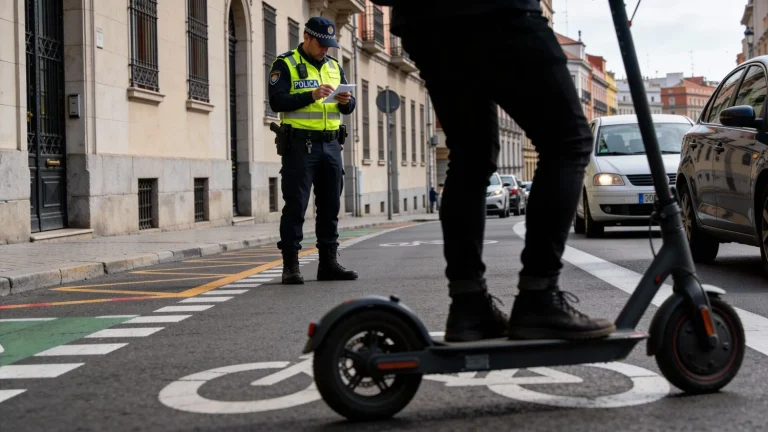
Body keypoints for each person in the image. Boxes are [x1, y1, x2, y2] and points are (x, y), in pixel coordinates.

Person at [384, 1, 616, 342]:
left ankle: (468, 306)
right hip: (499, 12)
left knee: (470, 156)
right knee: (568, 141)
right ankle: (539, 295)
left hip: (424, 22)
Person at [268, 17, 358, 285]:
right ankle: (291, 266)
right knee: (295, 205)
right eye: (321, 44)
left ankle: (328, 264)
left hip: (331, 144)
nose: (325, 50)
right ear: (306, 38)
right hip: (300, 145)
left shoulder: (333, 67)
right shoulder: (285, 64)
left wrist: (346, 101)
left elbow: (348, 107)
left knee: (330, 205)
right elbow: (276, 101)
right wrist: (312, 95)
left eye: (329, 45)